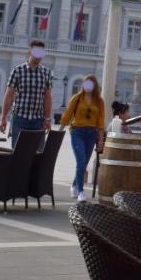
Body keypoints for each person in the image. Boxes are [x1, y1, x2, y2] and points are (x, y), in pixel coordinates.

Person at [0, 40, 53, 146]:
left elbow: (48, 97)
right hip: (20, 118)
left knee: (38, 153)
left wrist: (47, 119)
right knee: (18, 152)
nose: (39, 56)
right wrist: (3, 118)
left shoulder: (46, 73)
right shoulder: (17, 71)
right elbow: (9, 95)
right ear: (30, 52)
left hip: (38, 120)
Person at [59, 74, 104, 202]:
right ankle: (81, 191)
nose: (87, 86)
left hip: (92, 134)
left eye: (90, 83)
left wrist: (100, 140)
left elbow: (100, 121)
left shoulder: (99, 101)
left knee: (83, 163)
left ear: (95, 86)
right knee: (81, 161)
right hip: (77, 132)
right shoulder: (77, 98)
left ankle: (74, 185)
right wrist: (59, 131)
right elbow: (67, 114)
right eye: (85, 83)